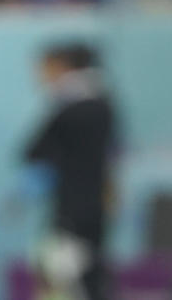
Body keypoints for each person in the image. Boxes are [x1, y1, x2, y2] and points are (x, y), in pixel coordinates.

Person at [23, 43, 118, 300]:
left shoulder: (72, 109)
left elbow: (32, 151)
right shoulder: (103, 104)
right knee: (83, 278)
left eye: (46, 70)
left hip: (74, 212)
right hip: (91, 209)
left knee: (64, 281)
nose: (42, 78)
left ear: (63, 68)